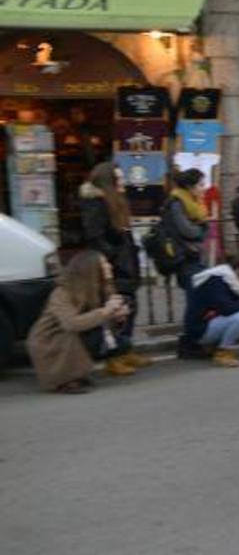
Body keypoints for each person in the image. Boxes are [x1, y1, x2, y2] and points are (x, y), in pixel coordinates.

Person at [78, 161, 151, 376]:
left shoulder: (114, 201)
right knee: (117, 311)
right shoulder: (95, 203)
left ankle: (126, 350)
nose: (123, 183)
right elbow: (95, 237)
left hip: (126, 263)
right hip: (114, 267)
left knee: (131, 307)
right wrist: (115, 256)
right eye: (118, 179)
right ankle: (114, 357)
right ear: (108, 182)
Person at [28, 251, 131, 393]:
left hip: (77, 333)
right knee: (72, 336)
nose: (109, 266)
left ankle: (77, 373)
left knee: (122, 343)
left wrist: (118, 317)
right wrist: (105, 312)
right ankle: (65, 379)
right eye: (104, 264)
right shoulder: (62, 292)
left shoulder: (103, 288)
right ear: (91, 270)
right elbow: (70, 323)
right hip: (49, 339)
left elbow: (103, 323)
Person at [182, 253, 239, 367]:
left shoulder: (235, 281)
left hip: (216, 320)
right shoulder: (215, 280)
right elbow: (228, 309)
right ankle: (223, 352)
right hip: (200, 327)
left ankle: (214, 344)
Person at [161, 168, 210, 289]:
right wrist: (202, 228)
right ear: (190, 187)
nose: (204, 188)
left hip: (194, 252)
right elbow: (187, 230)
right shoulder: (177, 202)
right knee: (194, 290)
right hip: (185, 253)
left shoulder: (194, 202)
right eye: (200, 185)